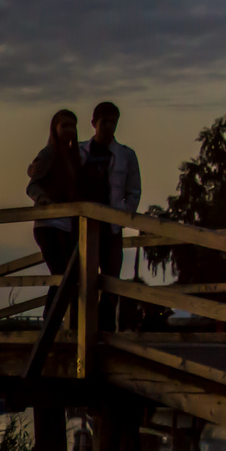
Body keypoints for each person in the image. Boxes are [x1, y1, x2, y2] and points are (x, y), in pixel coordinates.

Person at [79, 101, 142, 333]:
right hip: (83, 227)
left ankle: (105, 331)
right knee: (83, 281)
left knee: (111, 281)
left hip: (112, 229)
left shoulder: (125, 155)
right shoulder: (80, 152)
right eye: (104, 122)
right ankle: (81, 329)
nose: (109, 127)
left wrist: (122, 216)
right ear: (94, 123)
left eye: (113, 122)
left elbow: (133, 191)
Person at [26, 109, 82, 321]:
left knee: (70, 276)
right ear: (55, 128)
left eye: (73, 126)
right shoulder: (50, 153)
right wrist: (43, 200)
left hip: (67, 223)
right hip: (48, 224)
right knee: (61, 274)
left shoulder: (74, 155)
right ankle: (51, 323)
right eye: (64, 125)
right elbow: (32, 185)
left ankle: (66, 321)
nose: (69, 130)